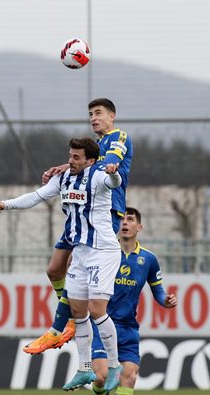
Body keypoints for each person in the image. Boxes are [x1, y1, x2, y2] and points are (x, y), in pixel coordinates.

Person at [0, 138, 123, 392]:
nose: (71, 161)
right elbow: (36, 197)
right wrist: (6, 204)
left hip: (103, 251)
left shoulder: (98, 176)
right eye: (70, 156)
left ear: (90, 161)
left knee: (97, 310)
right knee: (78, 312)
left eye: (76, 157)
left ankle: (115, 366)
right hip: (81, 251)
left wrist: (114, 173)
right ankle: (85, 369)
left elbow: (113, 183)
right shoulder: (63, 178)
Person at [23, 98, 133, 357]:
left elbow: (109, 163)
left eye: (98, 113)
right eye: (90, 114)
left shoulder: (119, 137)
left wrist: (70, 165)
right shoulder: (91, 147)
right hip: (78, 213)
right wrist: (69, 167)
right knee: (54, 270)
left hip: (103, 213)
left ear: (112, 116)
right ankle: (71, 315)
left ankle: (58, 328)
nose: (93, 118)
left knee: (75, 268)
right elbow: (86, 161)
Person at [90, 207, 177, 395]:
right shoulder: (103, 252)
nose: (125, 223)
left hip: (128, 328)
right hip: (101, 323)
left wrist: (166, 301)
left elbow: (157, 291)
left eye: (130, 220)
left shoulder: (148, 259)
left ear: (139, 227)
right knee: (101, 377)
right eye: (122, 219)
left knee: (129, 377)